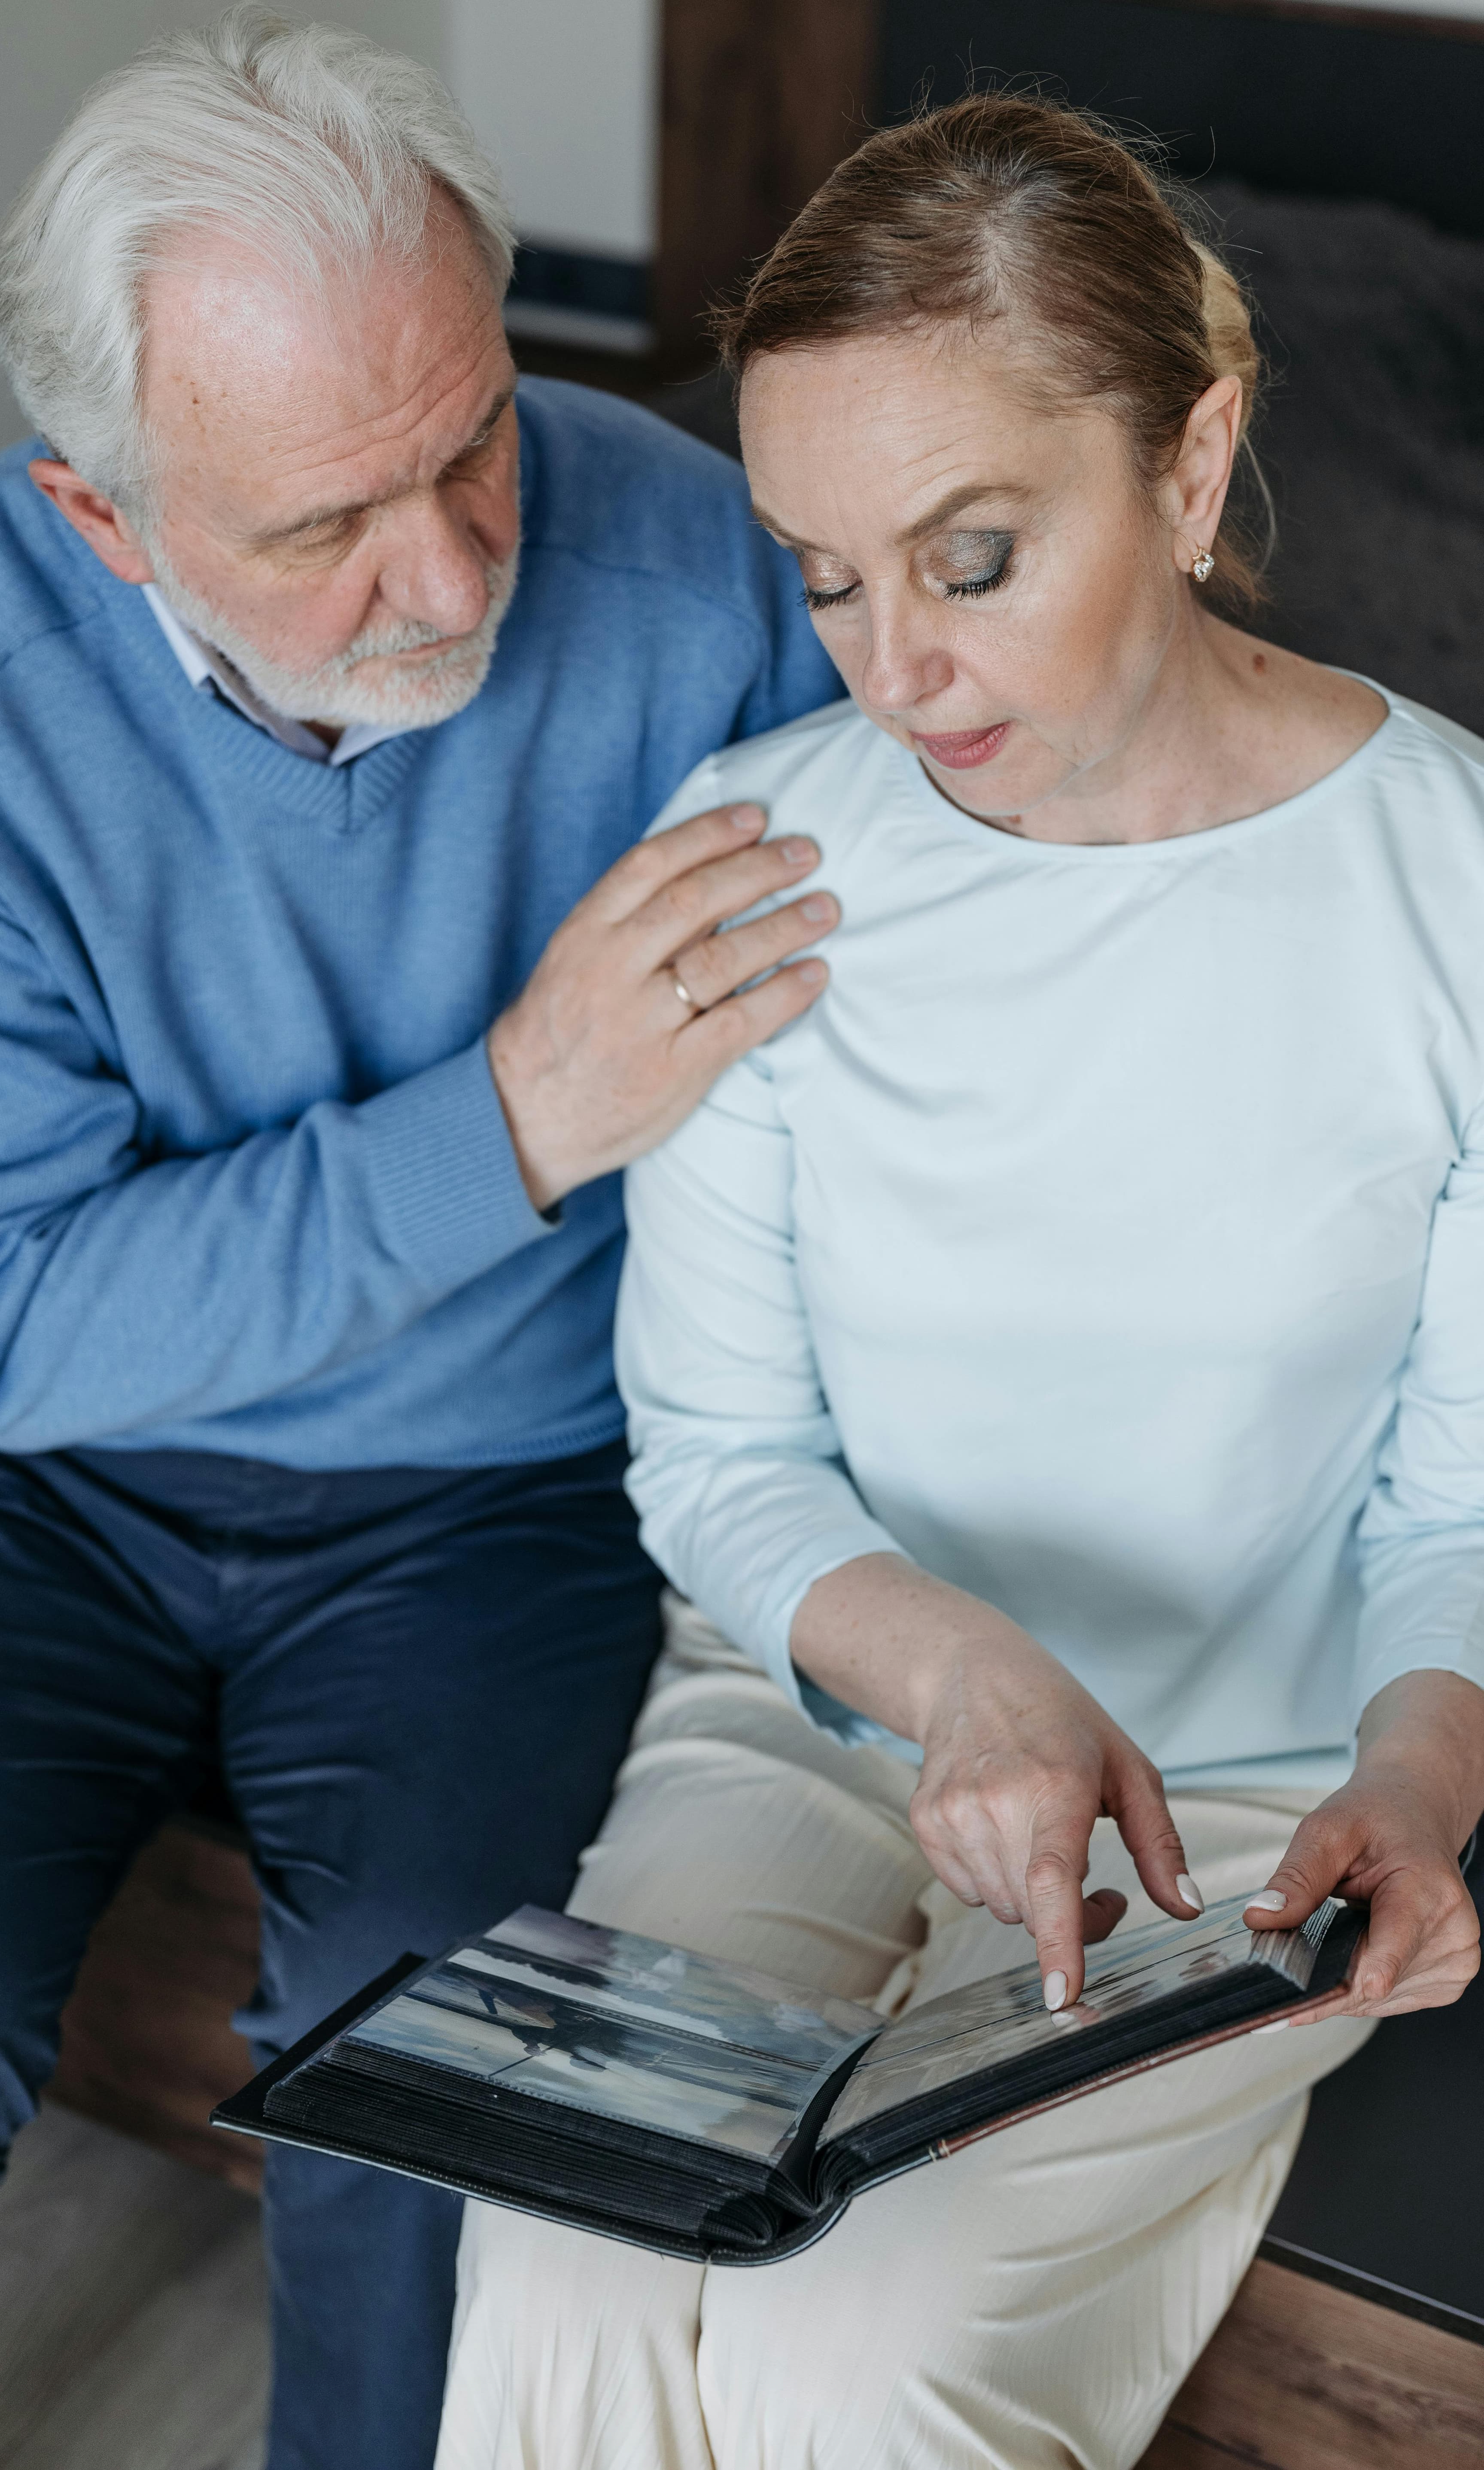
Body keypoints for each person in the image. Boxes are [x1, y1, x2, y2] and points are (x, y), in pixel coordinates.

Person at [437, 93, 1484, 2470]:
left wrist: (1417, 1793)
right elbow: (718, 1454)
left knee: (861, 2350)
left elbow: (1463, 1507)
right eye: (823, 574)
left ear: (1193, 465)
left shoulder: (1461, 893)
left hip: (1245, 1796)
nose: (896, 669)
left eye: (974, 554)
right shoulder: (761, 856)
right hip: (814, 1724)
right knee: (577, 2244)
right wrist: (970, 1677)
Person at [0, 12, 843, 2467]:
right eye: (324, 524)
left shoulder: (701, 565)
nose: (456, 562)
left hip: (497, 1492)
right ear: (105, 512)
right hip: (17, 1470)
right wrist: (513, 1115)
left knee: (443, 2069)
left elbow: (863, 1101)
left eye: (474, 433)